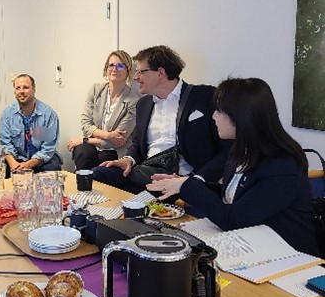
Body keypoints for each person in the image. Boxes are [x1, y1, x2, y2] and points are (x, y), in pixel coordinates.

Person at [147, 77, 320, 256]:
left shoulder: (282, 165)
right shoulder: (241, 150)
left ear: (240, 117)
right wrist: (183, 183)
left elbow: (234, 219)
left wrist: (188, 186)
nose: (213, 116)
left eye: (219, 111)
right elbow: (236, 193)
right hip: (253, 244)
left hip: (289, 256)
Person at [92, 45, 229, 193]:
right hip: (147, 173)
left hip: (184, 179)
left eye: (140, 72)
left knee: (136, 197)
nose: (136, 77)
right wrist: (128, 160)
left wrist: (197, 179)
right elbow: (137, 144)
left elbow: (227, 147)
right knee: (97, 174)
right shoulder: (143, 104)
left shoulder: (204, 96)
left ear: (160, 73)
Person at [66, 50, 141, 170]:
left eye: (120, 66)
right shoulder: (95, 90)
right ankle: (83, 181)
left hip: (114, 150)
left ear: (128, 71)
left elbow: (118, 141)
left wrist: (84, 140)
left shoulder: (134, 100)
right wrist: (108, 135)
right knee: (83, 153)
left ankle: (87, 180)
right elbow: (85, 124)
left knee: (100, 164)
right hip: (92, 147)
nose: (115, 69)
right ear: (106, 69)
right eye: (111, 65)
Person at [0, 73, 62, 175]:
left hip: (41, 160)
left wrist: (28, 165)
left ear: (34, 89)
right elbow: (5, 144)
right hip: (17, 158)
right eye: (18, 88)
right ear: (14, 92)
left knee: (53, 167)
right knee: (0, 165)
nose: (21, 91)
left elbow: (48, 148)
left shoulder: (49, 115)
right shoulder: (7, 114)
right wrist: (13, 164)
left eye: (26, 87)